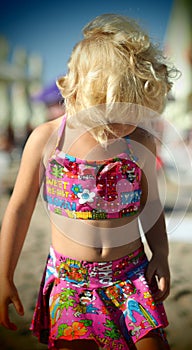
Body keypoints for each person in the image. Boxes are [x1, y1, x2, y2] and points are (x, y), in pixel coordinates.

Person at [0, 14, 177, 350]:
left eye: (136, 109)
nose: (127, 120)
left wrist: (162, 252)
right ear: (86, 93)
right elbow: (20, 208)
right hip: (71, 283)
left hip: (131, 277)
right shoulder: (47, 138)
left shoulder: (139, 142)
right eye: (117, 110)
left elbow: (150, 203)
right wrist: (4, 275)